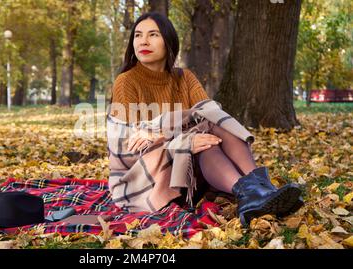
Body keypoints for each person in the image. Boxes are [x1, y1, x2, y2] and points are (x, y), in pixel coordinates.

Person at [107, 12, 303, 227]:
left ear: (168, 41)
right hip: (146, 177)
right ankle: (259, 192)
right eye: (137, 35)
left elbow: (210, 114)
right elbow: (131, 148)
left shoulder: (185, 77)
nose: (143, 41)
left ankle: (257, 194)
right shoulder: (126, 82)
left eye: (153, 34)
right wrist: (183, 141)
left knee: (210, 125)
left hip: (190, 167)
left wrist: (169, 133)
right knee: (202, 136)